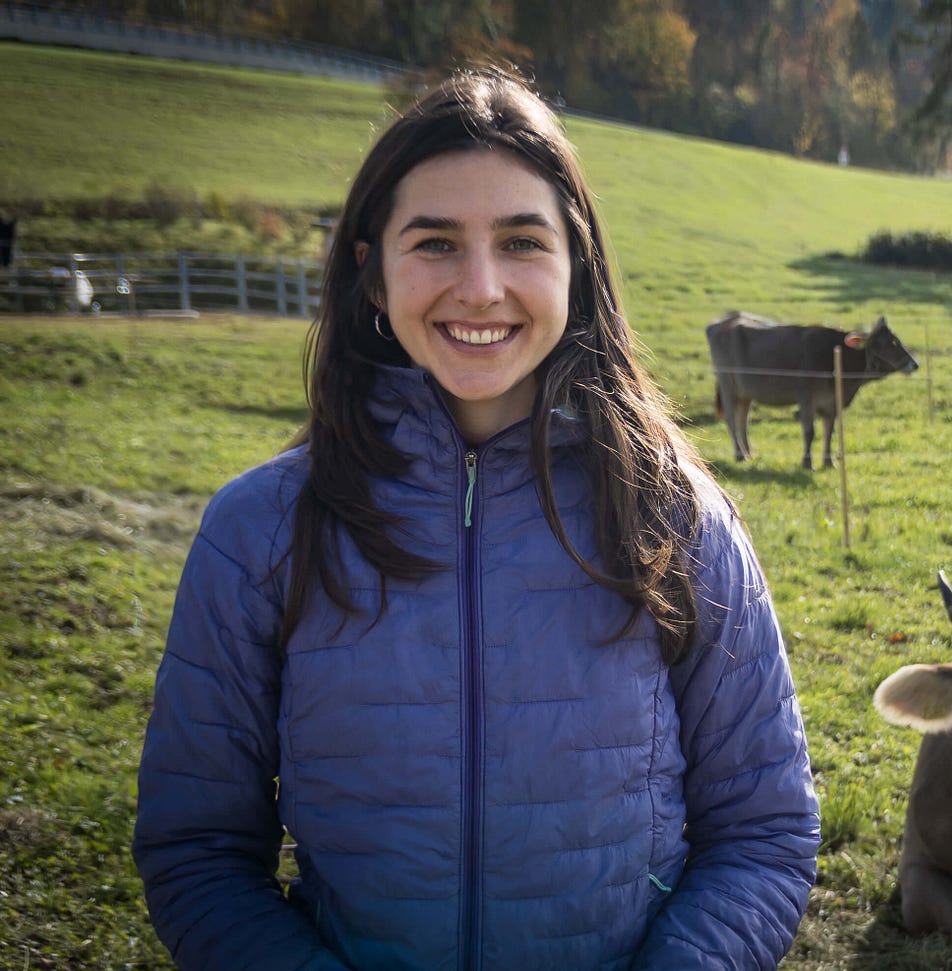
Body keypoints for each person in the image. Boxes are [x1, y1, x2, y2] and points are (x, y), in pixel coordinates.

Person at [132, 66, 820, 970]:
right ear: (371, 272)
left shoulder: (678, 520)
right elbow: (198, 850)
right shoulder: (258, 530)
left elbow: (763, 829)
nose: (483, 287)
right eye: (436, 243)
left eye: (522, 241)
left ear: (578, 266)